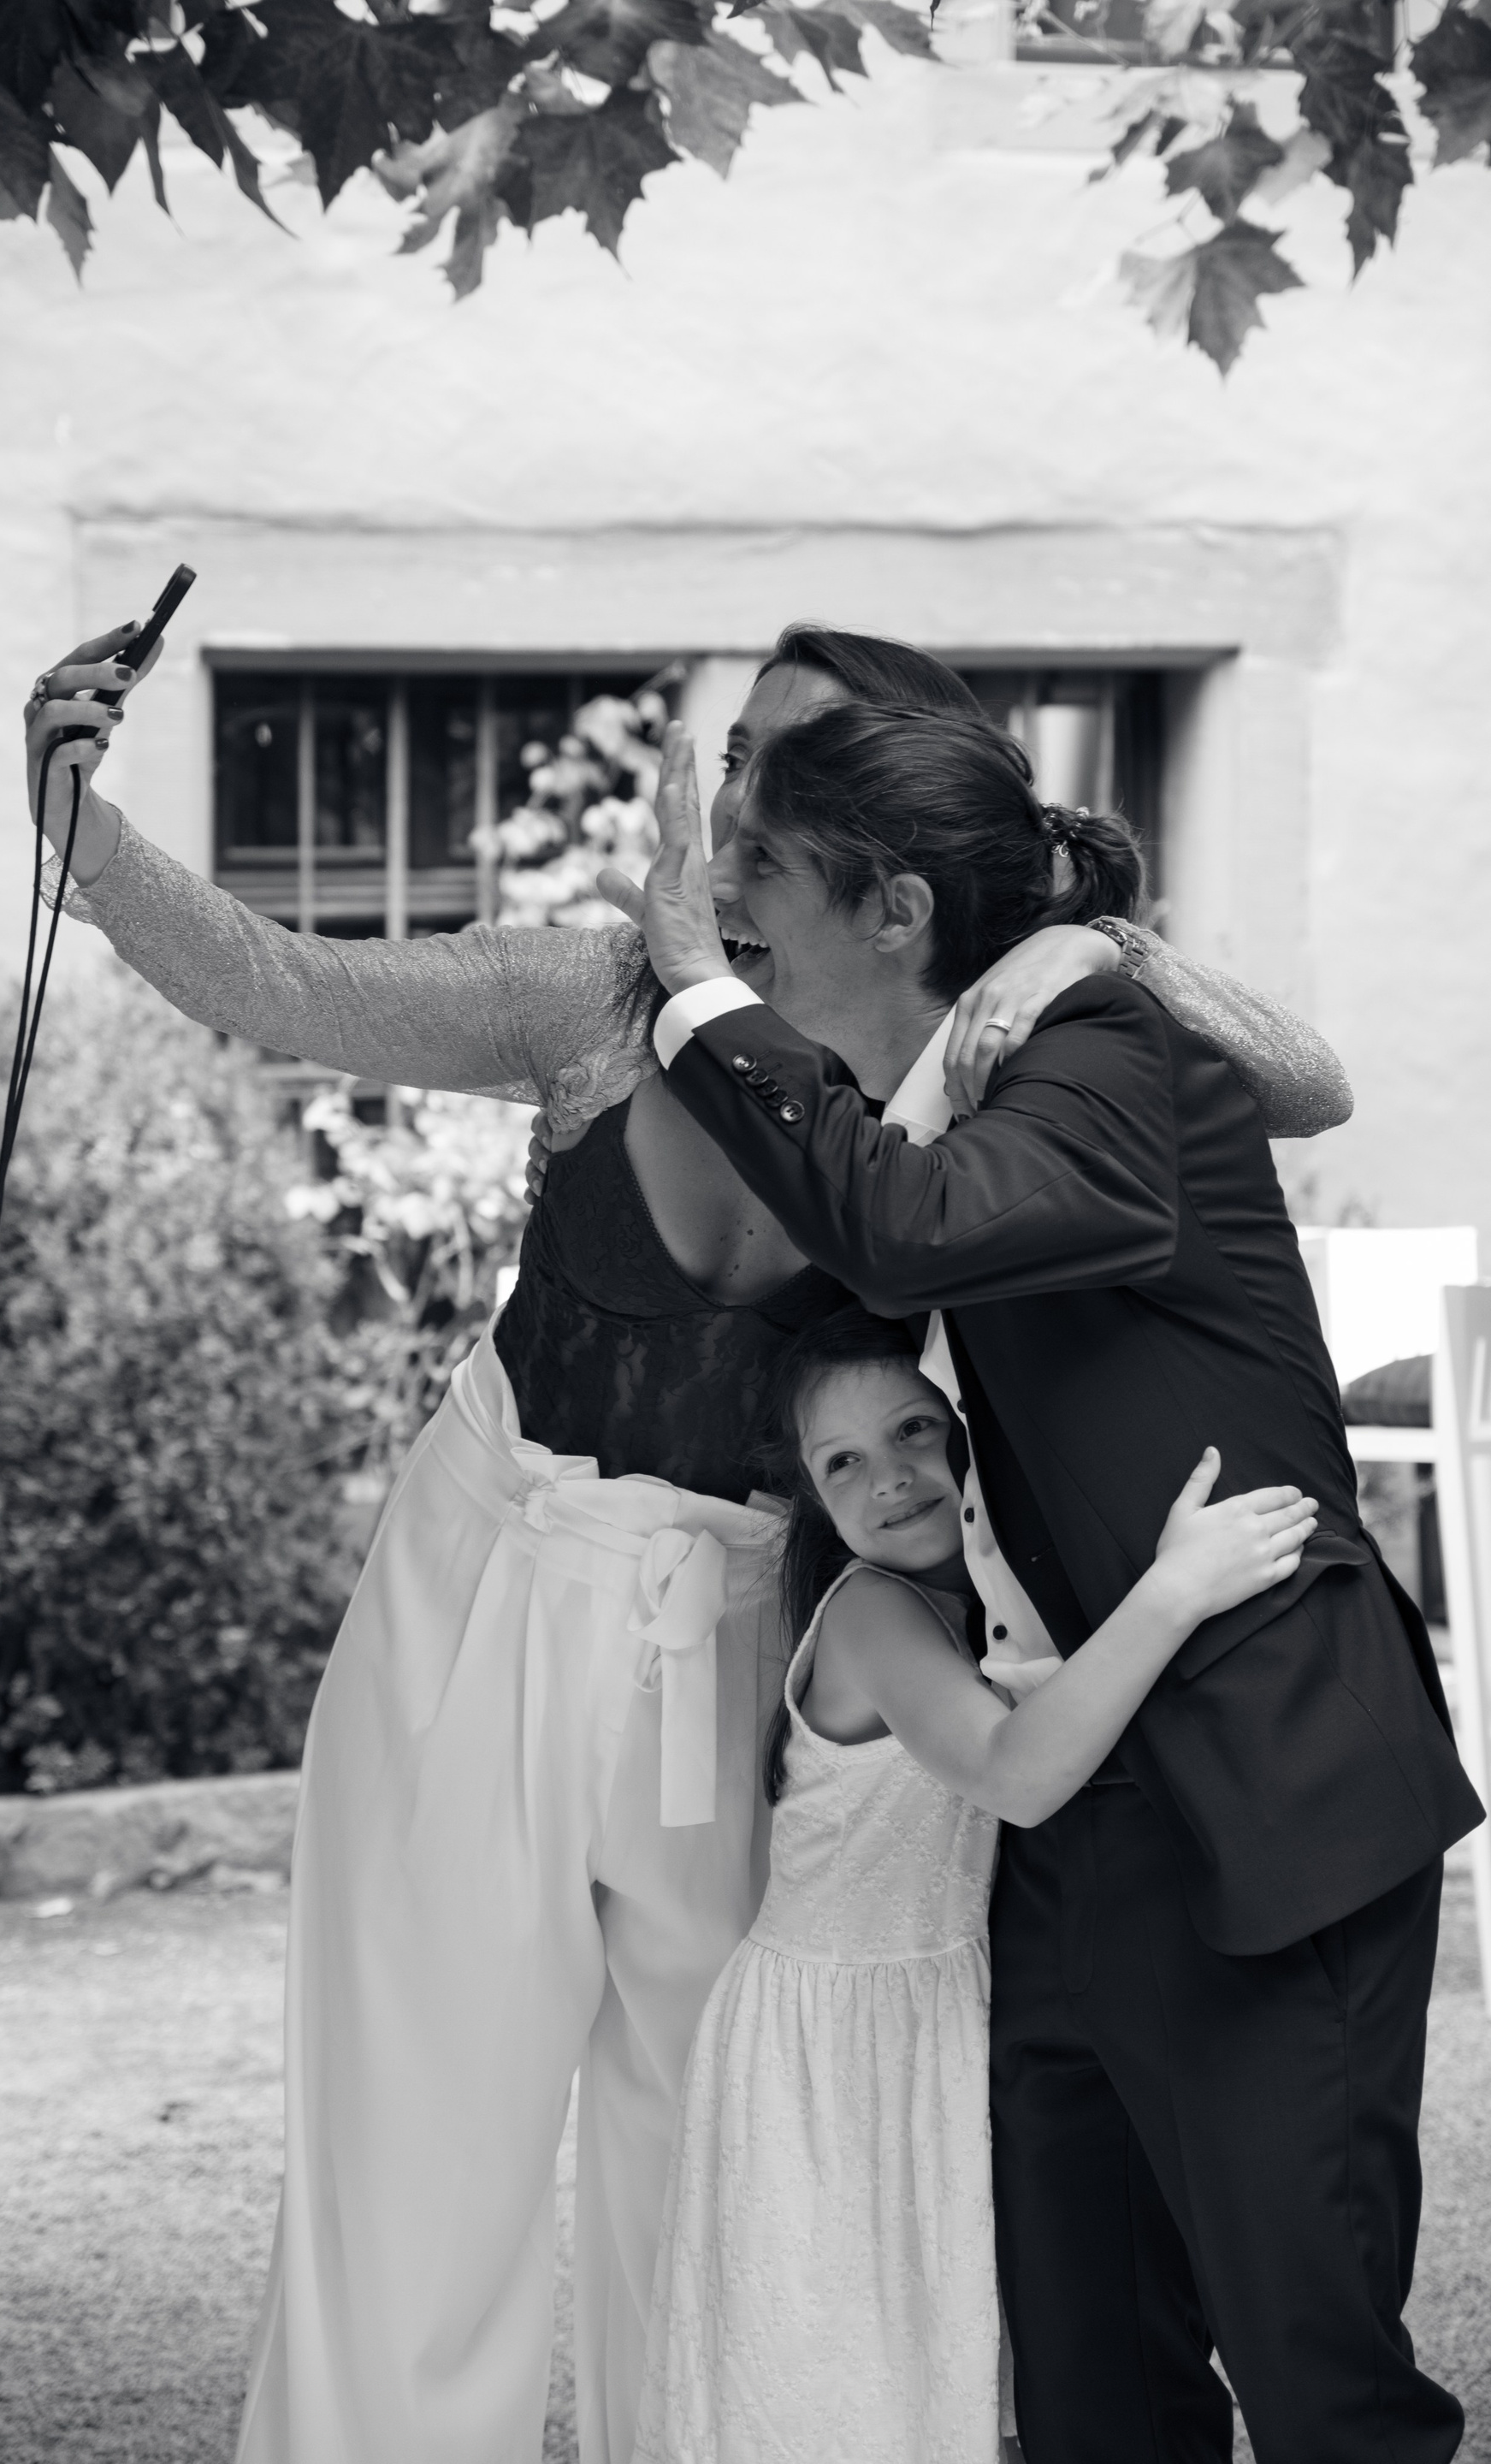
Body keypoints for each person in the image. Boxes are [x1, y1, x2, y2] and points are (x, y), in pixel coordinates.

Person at [21, 624, 1351, 2464]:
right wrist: (79, 826)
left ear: (895, 842)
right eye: (737, 765)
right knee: (421, 2136)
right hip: (495, 1579)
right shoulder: (588, 992)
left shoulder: (975, 1035)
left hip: (754, 1626)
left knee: (717, 2138)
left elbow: (1299, 1082)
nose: (736, 817)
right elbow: (281, 979)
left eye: (796, 781)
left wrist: (1073, 932)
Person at [618, 696, 1484, 2461]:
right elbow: (795, 1284)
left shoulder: (1098, 1053)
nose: (719, 897)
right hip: (1067, 1825)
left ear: (897, 912)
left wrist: (701, 986)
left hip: (1265, 1794)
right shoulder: (939, 1098)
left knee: (1317, 2384)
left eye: (758, 866)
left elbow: (911, 1232)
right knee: (1093, 2387)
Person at [634, 1308, 1319, 2464]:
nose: (888, 1479)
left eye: (912, 1430)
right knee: (838, 2371)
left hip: (935, 2015)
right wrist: (1176, 1588)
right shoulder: (869, 1613)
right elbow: (1019, 1773)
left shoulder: (982, 1600)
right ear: (811, 1496)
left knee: (943, 2353)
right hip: (834, 2040)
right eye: (841, 1462)